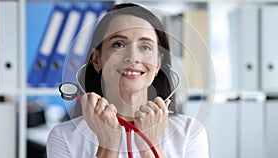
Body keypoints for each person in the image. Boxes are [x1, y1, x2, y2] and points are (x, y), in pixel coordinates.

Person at [47, 3, 209, 158]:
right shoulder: (64, 137)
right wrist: (109, 145)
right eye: (118, 44)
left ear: (158, 63)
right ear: (96, 60)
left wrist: (150, 146)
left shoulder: (189, 132)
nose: (133, 57)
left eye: (145, 47)